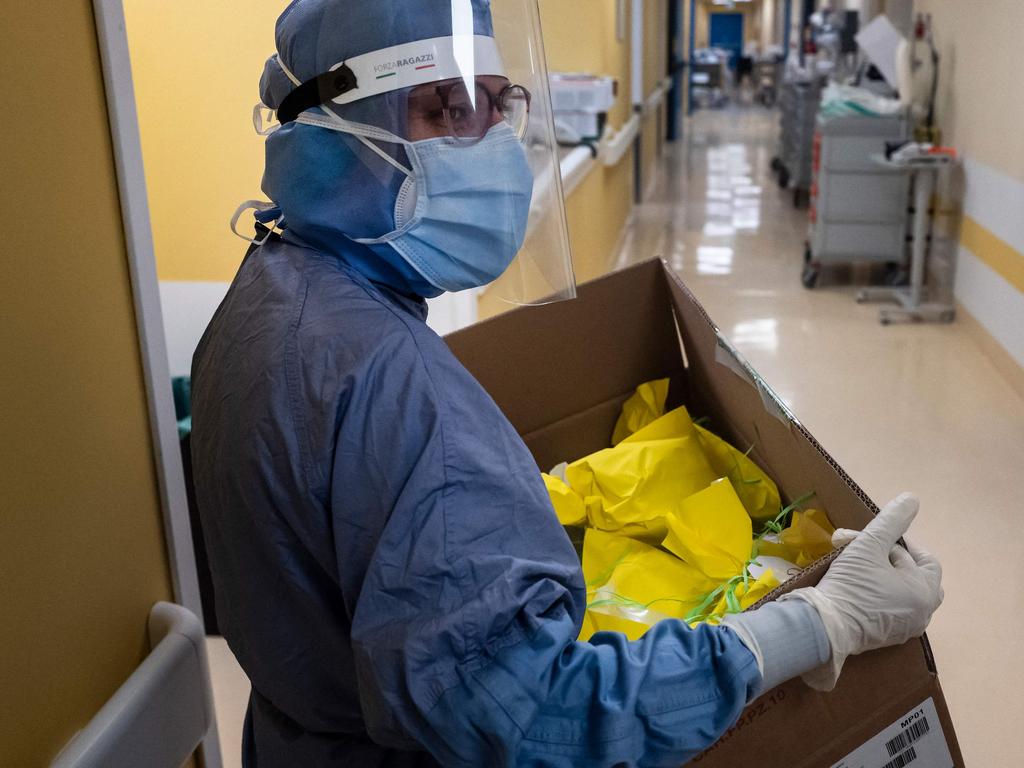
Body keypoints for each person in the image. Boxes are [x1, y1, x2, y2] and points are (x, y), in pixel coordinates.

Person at [190, 1, 944, 766]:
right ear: (335, 136)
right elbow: (541, 719)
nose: (489, 146)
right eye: (445, 109)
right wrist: (819, 622)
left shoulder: (270, 298)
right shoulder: (395, 390)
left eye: (494, 104)